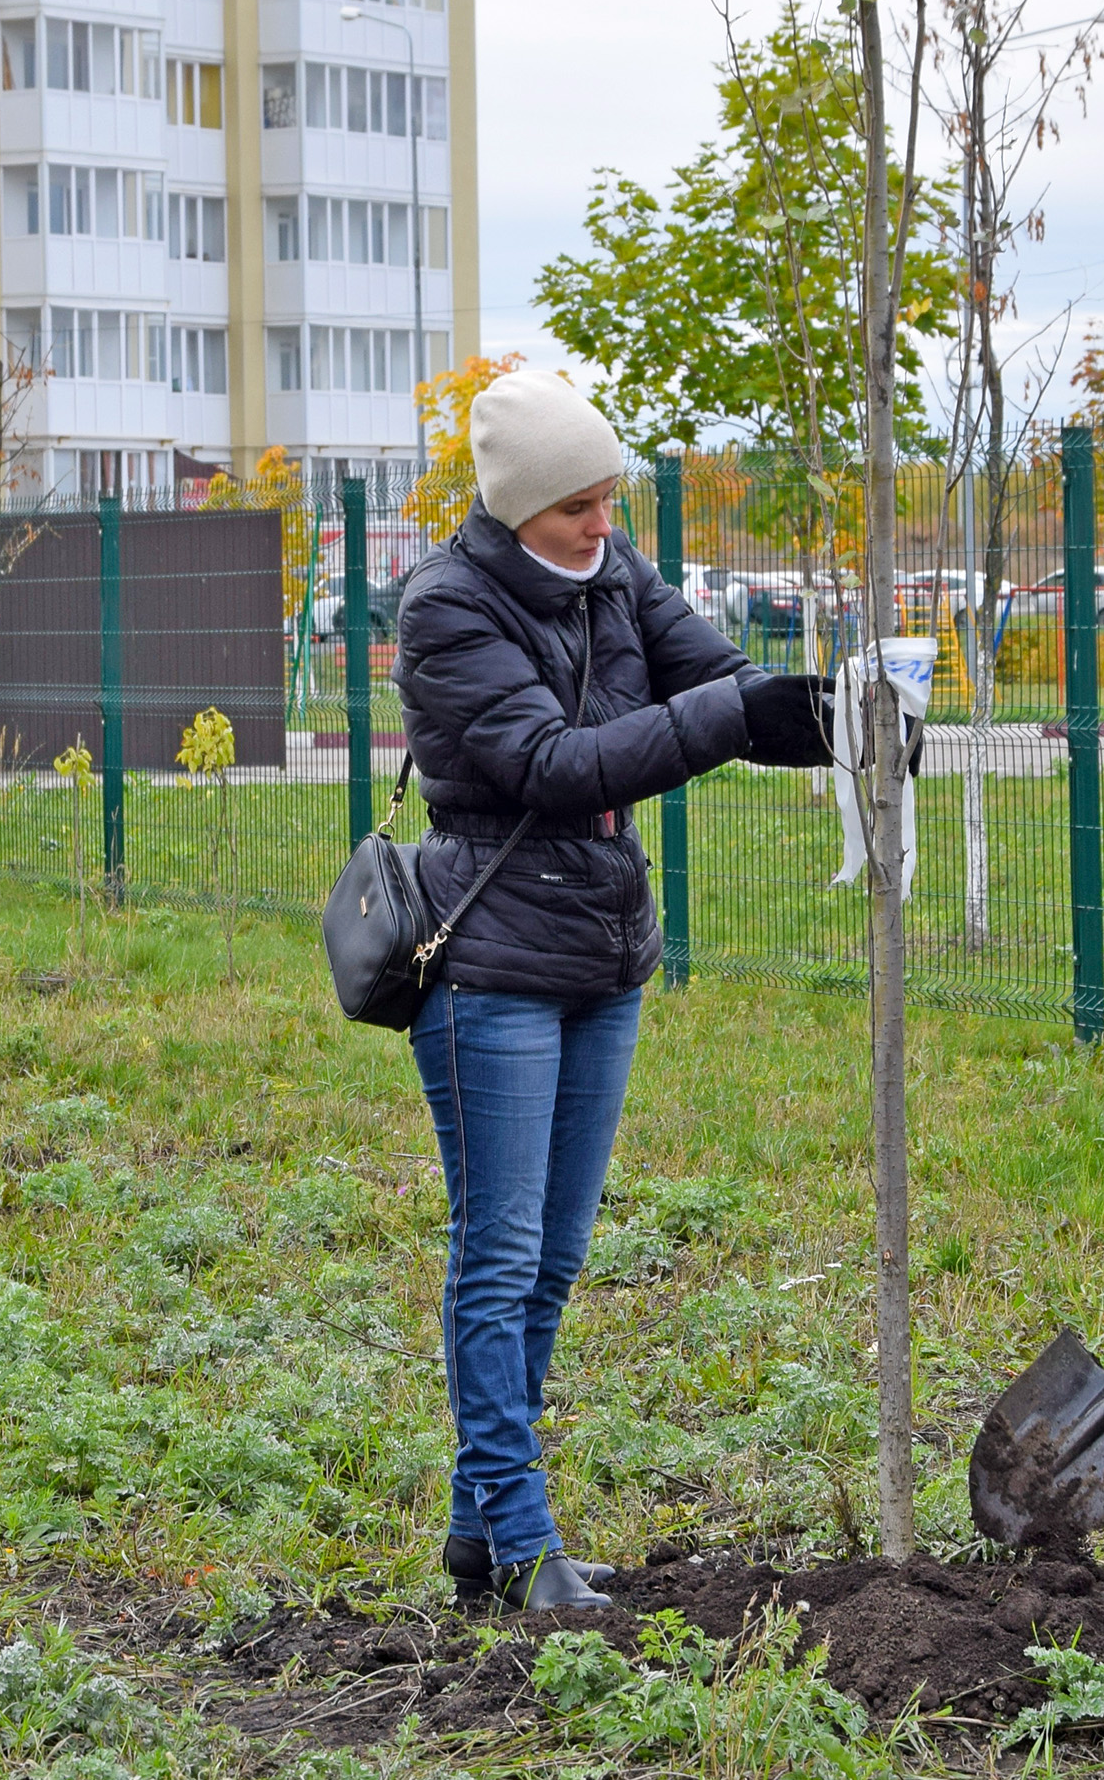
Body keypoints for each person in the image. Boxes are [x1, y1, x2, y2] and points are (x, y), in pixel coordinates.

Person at [392, 368, 844, 1613]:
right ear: (520, 502)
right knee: (497, 1257)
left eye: (609, 500)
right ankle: (525, 1540)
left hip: (600, 947)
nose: (604, 525)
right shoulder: (446, 607)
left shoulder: (615, 574)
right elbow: (550, 762)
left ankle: (482, 1531)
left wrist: (837, 720)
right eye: (579, 506)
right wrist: (724, 713)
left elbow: (717, 679)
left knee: (557, 1255)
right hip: (489, 959)